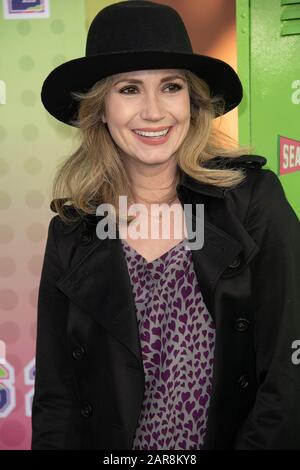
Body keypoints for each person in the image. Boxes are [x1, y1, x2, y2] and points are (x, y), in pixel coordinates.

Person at [31, 0, 300, 450]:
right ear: (100, 109)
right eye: (130, 90)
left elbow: (288, 378)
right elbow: (57, 400)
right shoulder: (73, 232)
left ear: (193, 103)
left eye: (171, 87)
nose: (154, 112)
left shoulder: (252, 202)